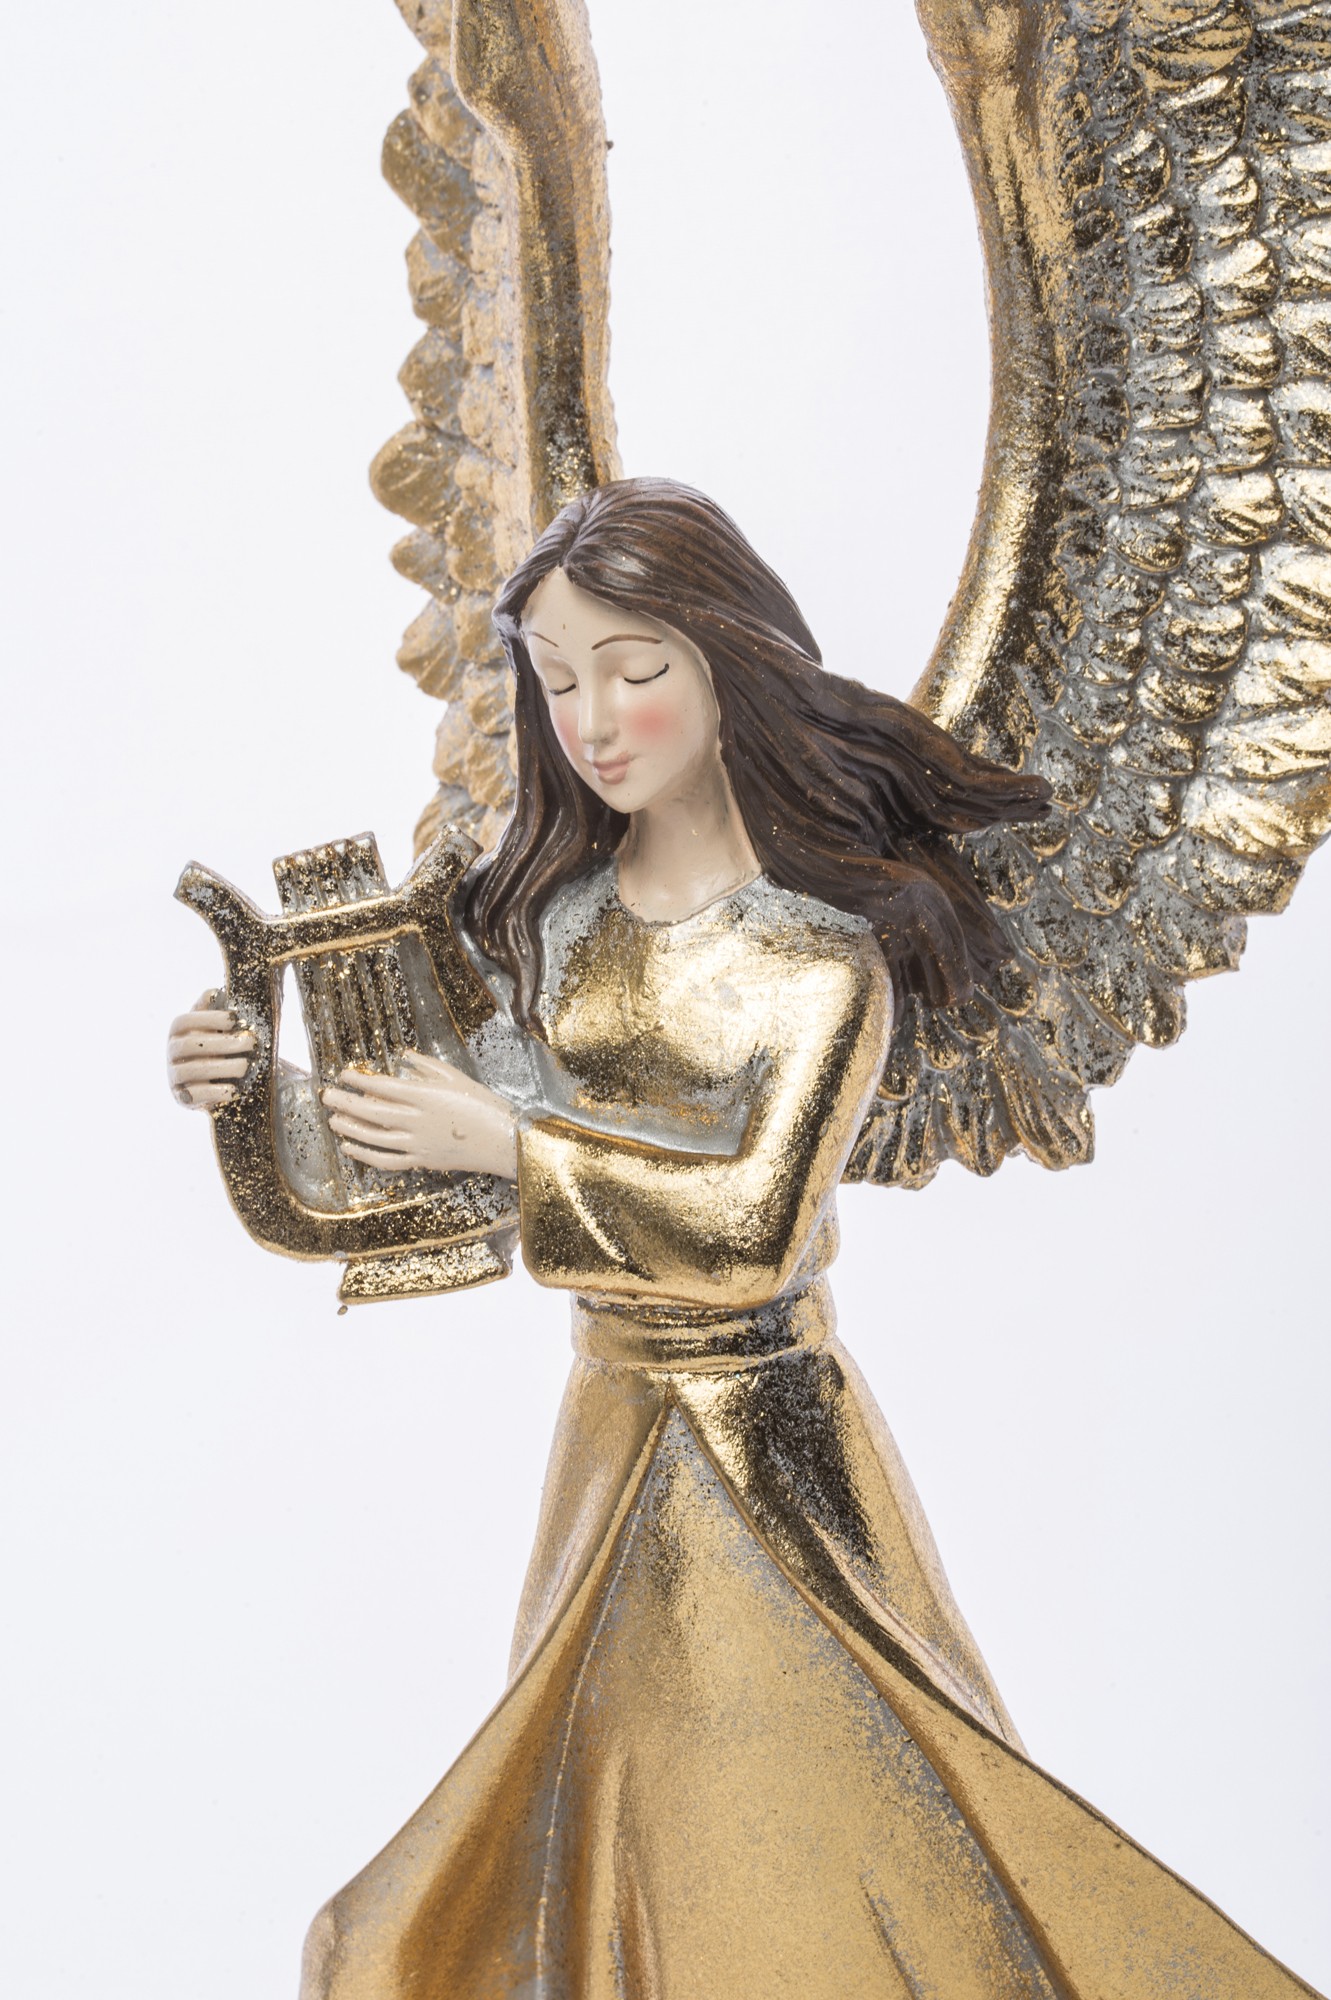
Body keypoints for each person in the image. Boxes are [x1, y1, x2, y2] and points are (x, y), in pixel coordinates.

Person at [168, 480, 1316, 1999]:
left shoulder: (822, 964)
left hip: (765, 1447)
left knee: (824, 1799)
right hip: (612, 1430)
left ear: (725, 665)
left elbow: (750, 1235)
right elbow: (436, 1174)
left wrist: (512, 1147)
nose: (593, 720)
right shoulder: (566, 924)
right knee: (602, 1803)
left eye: (634, 669)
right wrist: (262, 1098)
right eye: (558, 681)